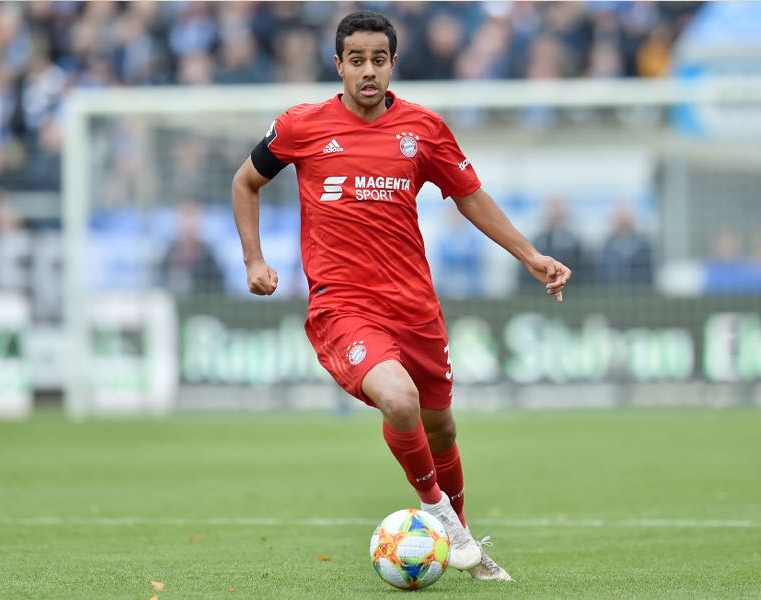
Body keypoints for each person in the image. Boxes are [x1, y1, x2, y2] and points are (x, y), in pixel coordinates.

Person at [232, 10, 571, 582]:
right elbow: (246, 181)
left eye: (379, 60)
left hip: (414, 304)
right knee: (399, 398)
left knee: (440, 427)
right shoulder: (301, 126)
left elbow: (470, 196)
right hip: (343, 305)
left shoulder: (425, 129)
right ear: (338, 65)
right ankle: (443, 519)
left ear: (393, 64)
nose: (368, 71)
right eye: (357, 60)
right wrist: (254, 259)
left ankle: (462, 538)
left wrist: (530, 255)